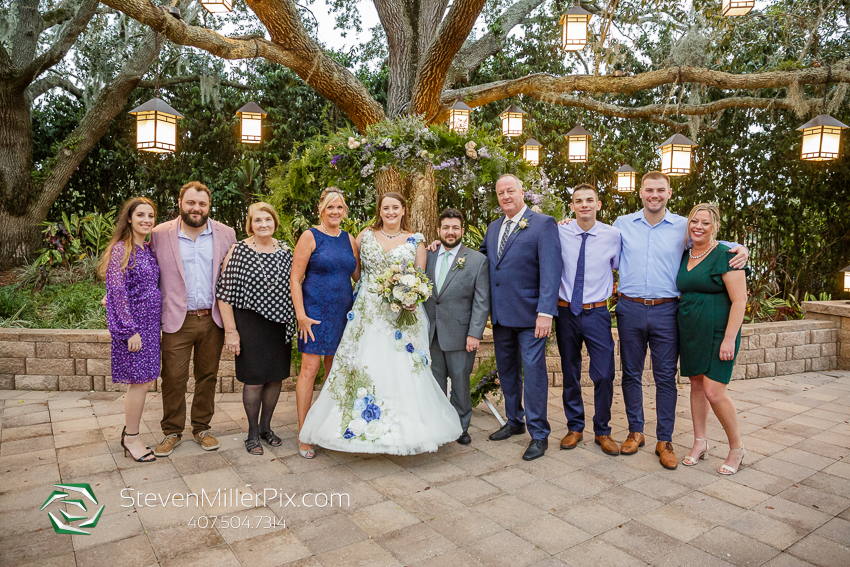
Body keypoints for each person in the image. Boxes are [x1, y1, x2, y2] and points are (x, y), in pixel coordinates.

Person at [299, 192, 462, 454]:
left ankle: (404, 425)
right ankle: (349, 424)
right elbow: (353, 269)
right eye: (385, 208)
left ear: (403, 210)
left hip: (400, 315)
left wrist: (411, 298)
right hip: (367, 312)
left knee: (401, 368)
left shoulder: (415, 241)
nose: (390, 212)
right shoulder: (364, 236)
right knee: (362, 362)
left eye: (395, 207)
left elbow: (420, 280)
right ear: (380, 210)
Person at [613, 171, 748, 469]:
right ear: (640, 192)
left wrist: (742, 247)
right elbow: (596, 241)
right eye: (649, 190)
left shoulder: (681, 227)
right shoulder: (622, 225)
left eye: (660, 190)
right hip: (630, 308)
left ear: (669, 193)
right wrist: (567, 225)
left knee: (665, 378)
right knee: (631, 374)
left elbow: (711, 241)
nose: (654, 195)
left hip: (667, 310)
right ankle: (636, 431)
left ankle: (665, 439)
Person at [151, 181, 237, 457]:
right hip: (177, 319)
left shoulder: (226, 234)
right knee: (173, 377)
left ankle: (202, 427)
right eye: (191, 203)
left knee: (208, 376)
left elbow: (234, 276)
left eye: (202, 204)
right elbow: (142, 268)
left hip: (213, 318)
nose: (196, 208)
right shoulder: (160, 234)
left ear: (209, 206)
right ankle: (171, 431)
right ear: (180, 203)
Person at [480, 174, 562, 461]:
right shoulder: (493, 228)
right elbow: (482, 262)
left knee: (534, 372)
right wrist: (442, 251)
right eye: (501, 192)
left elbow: (552, 271)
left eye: (510, 191)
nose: (505, 196)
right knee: (507, 373)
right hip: (502, 315)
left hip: (531, 317)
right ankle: (514, 422)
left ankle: (539, 434)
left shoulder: (543, 224)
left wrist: (545, 313)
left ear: (522, 192)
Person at [216, 202, 297, 455]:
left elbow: (296, 283)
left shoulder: (285, 249)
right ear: (250, 225)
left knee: (275, 378)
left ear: (275, 223)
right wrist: (231, 330)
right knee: (253, 381)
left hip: (279, 325)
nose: (263, 224)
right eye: (257, 220)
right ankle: (251, 433)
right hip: (249, 324)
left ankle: (266, 428)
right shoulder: (238, 250)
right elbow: (224, 293)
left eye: (268, 220)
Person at [677, 203, 747, 474]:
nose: (698, 226)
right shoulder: (685, 253)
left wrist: (729, 339)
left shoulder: (726, 255)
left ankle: (737, 449)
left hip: (720, 332)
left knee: (714, 392)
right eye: (695, 221)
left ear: (715, 226)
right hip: (692, 330)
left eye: (705, 223)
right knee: (696, 386)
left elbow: (740, 301)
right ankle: (700, 443)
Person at [291, 188, 359, 458]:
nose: (335, 212)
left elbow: (358, 274)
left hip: (343, 312)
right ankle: (304, 433)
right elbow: (295, 279)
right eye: (330, 207)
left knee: (334, 370)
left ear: (345, 211)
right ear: (320, 209)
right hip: (314, 312)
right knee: (310, 368)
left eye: (339, 207)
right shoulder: (310, 236)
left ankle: (328, 427)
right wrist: (301, 314)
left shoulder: (349, 239)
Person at [555, 185, 621, 456]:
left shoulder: (613, 235)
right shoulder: (560, 231)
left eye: (589, 200)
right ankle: (575, 427)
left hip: (597, 313)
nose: (584, 205)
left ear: (599, 204)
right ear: (571, 206)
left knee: (604, 373)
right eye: (578, 201)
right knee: (570, 371)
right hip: (566, 312)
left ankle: (602, 431)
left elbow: (619, 266)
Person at [101, 197, 161, 463]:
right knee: (139, 384)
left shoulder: (146, 248)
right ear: (129, 218)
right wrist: (129, 330)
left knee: (145, 381)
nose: (146, 220)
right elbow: (117, 290)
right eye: (140, 215)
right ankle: (132, 438)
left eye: (150, 215)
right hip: (135, 328)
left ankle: (131, 432)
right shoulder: (121, 250)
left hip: (150, 327)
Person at [423, 208, 490, 445]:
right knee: (436, 382)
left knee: (460, 383)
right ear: (438, 230)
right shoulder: (427, 255)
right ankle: (440, 426)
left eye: (455, 228)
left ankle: (462, 427)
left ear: (462, 230)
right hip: (432, 333)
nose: (450, 232)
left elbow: (481, 302)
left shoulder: (477, 261)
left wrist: (474, 334)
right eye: (445, 228)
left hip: (461, 334)